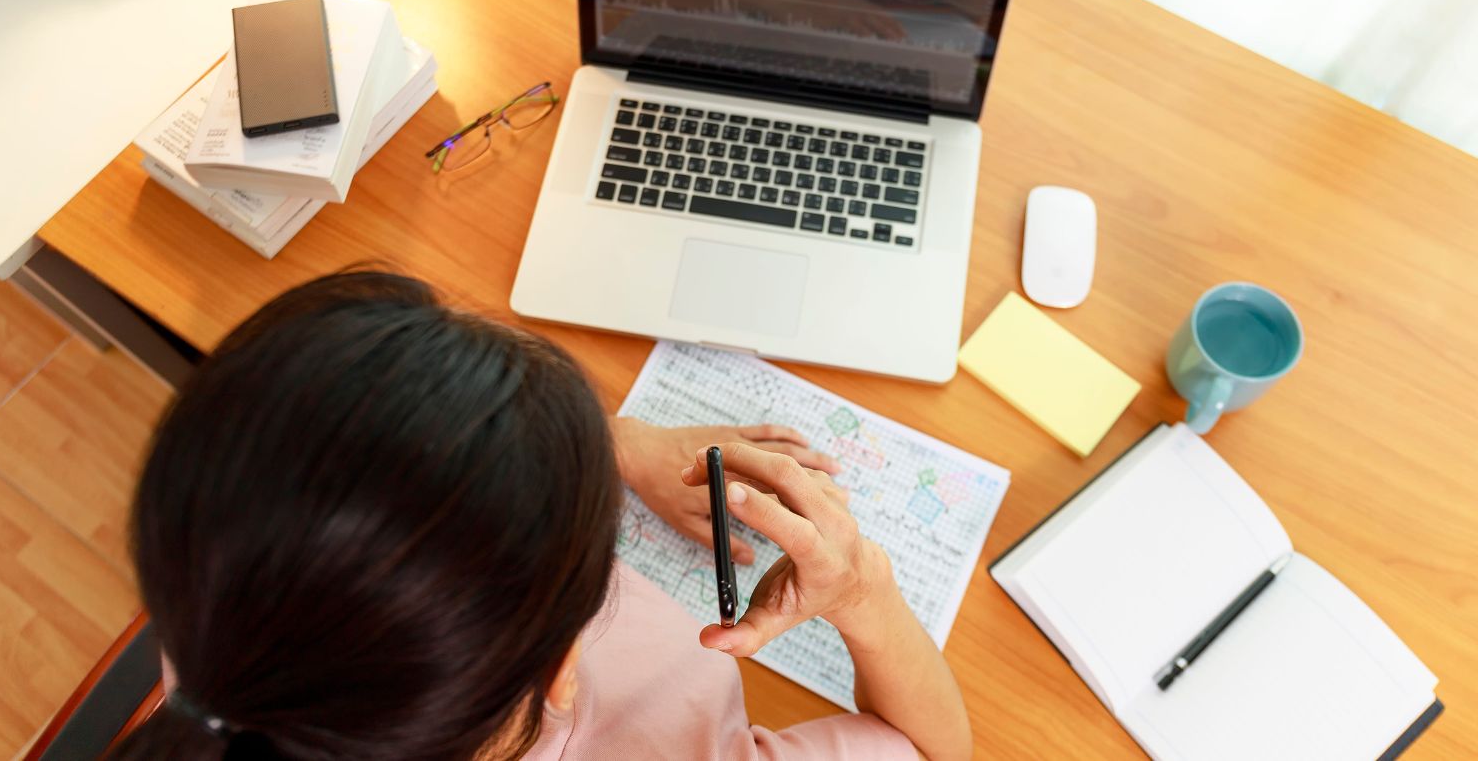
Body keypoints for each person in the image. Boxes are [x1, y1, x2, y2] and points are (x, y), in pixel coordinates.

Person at [108, 271, 971, 761]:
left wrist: (609, 442)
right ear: (561, 667)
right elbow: (933, 753)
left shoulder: (232, 642)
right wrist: (862, 586)